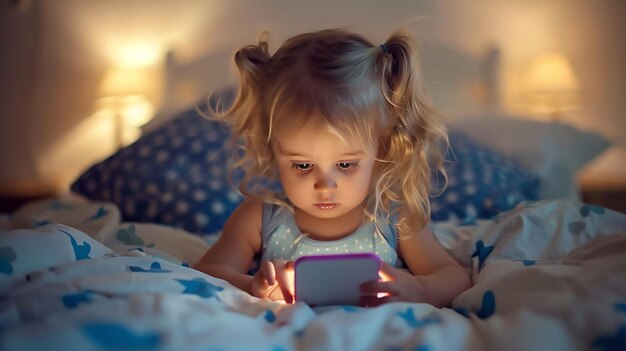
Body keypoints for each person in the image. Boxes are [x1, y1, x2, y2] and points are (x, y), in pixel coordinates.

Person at [194, 28, 471, 307]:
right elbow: (209, 272)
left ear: (381, 148)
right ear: (273, 148)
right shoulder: (258, 219)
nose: (325, 185)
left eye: (345, 164)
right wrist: (252, 286)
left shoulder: (394, 216)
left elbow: (453, 278)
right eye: (302, 164)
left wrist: (420, 288)